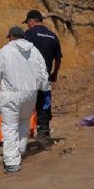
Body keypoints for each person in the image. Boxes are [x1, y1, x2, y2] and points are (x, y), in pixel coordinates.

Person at [0, 26, 49, 173]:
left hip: (11, 94)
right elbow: (43, 72)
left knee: (9, 127)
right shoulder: (34, 51)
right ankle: (19, 151)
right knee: (24, 122)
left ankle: (12, 162)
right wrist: (45, 91)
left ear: (11, 37)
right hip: (30, 94)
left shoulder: (5, 52)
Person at [22, 9, 62, 141]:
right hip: (45, 77)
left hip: (29, 76)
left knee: (25, 103)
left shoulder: (27, 34)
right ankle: (43, 133)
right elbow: (58, 59)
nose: (27, 25)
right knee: (44, 104)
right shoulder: (53, 36)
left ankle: (22, 133)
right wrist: (54, 74)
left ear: (31, 21)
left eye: (27, 22)